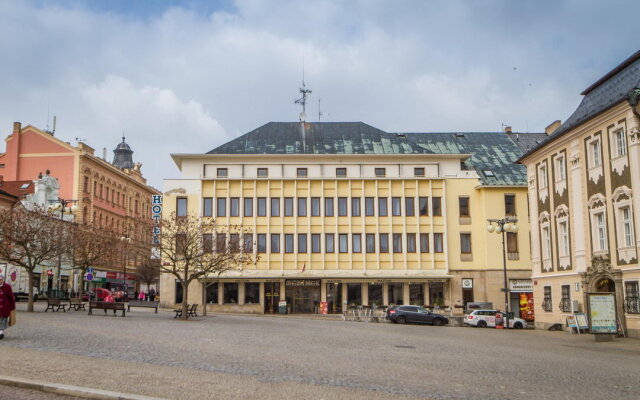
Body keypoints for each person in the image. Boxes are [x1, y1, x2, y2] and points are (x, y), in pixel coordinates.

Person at [0, 274, 16, 340]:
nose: (0, 280)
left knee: (2, 320)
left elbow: (11, 298)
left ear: (3, 279)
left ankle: (1, 332)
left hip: (4, 308)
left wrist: (12, 308)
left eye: (0, 279)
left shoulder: (7, 287)